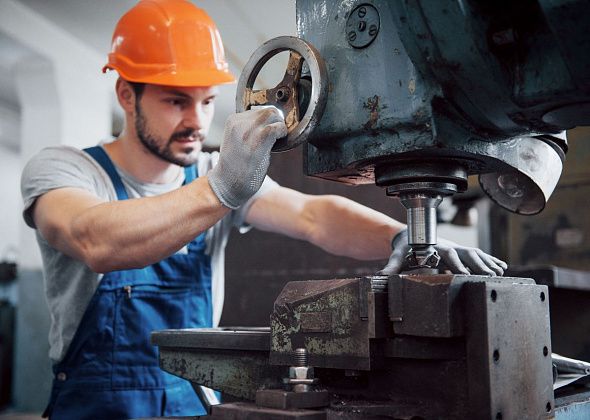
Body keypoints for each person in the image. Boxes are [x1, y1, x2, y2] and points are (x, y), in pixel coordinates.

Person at [20, 0, 507, 418]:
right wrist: (222, 188)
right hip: (94, 407)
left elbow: (314, 216)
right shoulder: (65, 170)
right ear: (127, 95)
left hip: (194, 401)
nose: (196, 121)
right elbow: (94, 240)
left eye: (207, 102)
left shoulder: (209, 174)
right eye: (175, 101)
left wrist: (401, 236)